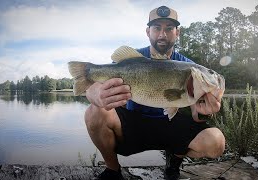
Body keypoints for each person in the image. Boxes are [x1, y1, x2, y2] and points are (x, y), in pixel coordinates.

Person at [84, 5, 225, 180]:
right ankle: (113, 171)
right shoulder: (134, 58)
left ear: (177, 33)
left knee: (216, 141)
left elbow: (197, 117)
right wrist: (94, 93)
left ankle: (173, 165)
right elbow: (93, 87)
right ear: (148, 31)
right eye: (157, 28)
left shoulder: (190, 68)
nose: (162, 34)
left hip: (170, 124)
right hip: (134, 122)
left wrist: (205, 113)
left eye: (169, 29)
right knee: (93, 112)